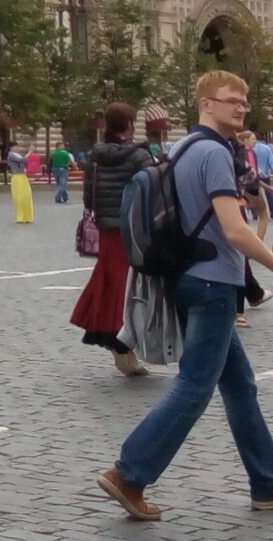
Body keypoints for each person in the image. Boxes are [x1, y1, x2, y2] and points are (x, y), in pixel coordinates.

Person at [97, 70, 273, 523]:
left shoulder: (182, 147)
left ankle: (267, 483)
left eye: (244, 101)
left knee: (240, 385)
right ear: (206, 104)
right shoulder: (214, 152)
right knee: (195, 385)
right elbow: (234, 229)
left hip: (190, 274)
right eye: (231, 100)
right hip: (213, 282)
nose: (241, 107)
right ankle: (129, 473)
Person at [73, 102, 154, 375]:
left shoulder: (95, 155)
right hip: (133, 228)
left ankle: (117, 345)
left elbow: (88, 194)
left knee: (109, 281)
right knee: (129, 285)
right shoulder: (139, 155)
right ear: (128, 124)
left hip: (106, 227)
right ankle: (121, 343)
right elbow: (153, 190)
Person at [5, 139, 35, 225]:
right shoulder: (11, 155)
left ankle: (28, 217)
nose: (18, 148)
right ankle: (20, 217)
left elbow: (24, 160)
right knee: (19, 198)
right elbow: (22, 160)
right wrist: (30, 152)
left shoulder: (17, 154)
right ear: (11, 148)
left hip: (23, 176)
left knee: (27, 196)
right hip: (17, 177)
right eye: (16, 146)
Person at [49, 140, 74, 206]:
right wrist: (75, 167)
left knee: (59, 183)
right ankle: (58, 197)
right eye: (62, 145)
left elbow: (50, 161)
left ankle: (65, 196)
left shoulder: (52, 153)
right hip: (63, 169)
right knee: (62, 183)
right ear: (59, 146)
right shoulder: (65, 153)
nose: (63, 147)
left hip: (55, 169)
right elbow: (70, 161)